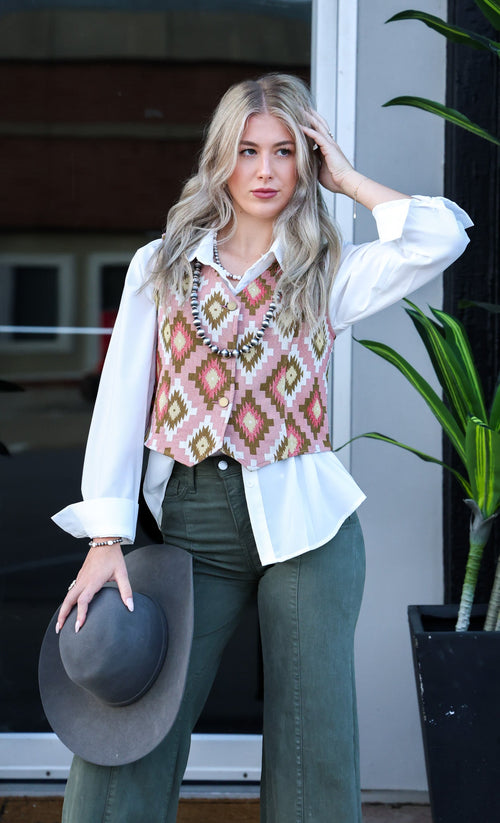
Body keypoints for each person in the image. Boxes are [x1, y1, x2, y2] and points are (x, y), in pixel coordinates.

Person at [52, 73, 472, 823]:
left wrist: (348, 180)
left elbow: (440, 237)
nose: (267, 170)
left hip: (308, 527)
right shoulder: (162, 264)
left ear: (307, 162)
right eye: (248, 150)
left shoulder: (330, 270)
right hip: (192, 523)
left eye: (285, 151)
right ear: (222, 157)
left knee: (315, 742)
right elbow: (118, 406)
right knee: (133, 718)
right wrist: (105, 538)